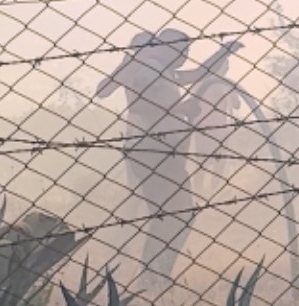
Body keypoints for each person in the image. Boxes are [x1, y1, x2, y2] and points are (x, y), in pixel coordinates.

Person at [94, 28, 241, 286]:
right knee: (175, 214)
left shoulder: (162, 70)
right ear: (165, 48)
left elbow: (196, 74)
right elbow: (140, 103)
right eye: (182, 50)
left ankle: (155, 274)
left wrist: (222, 53)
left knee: (172, 214)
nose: (185, 56)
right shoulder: (148, 68)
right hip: (154, 153)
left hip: (160, 152)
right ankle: (154, 276)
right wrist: (180, 108)